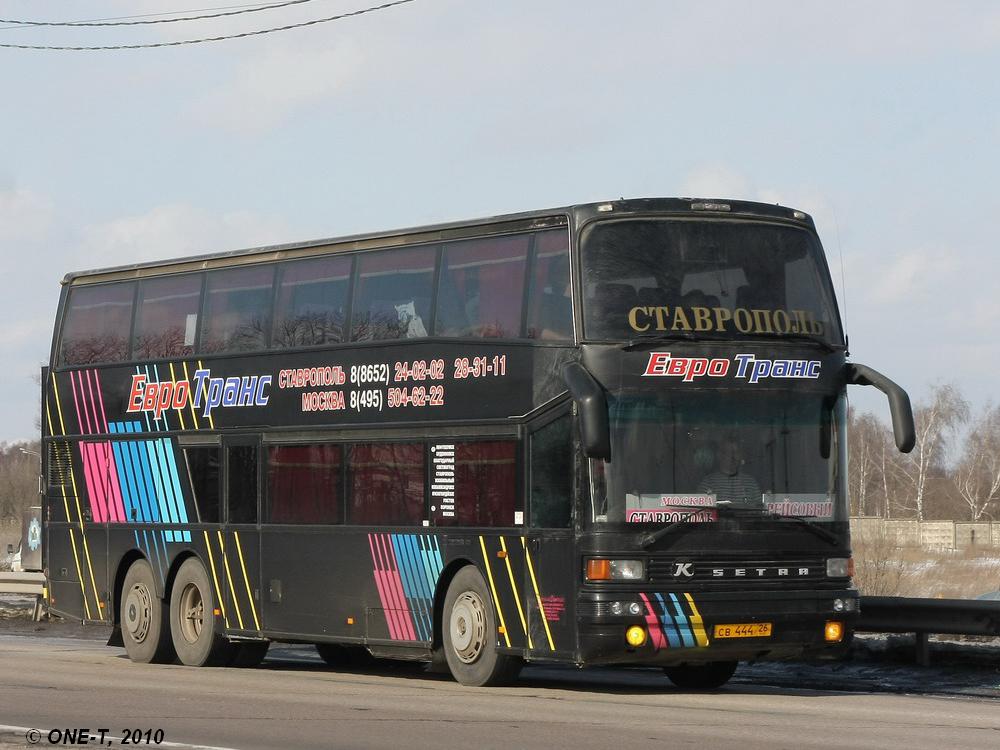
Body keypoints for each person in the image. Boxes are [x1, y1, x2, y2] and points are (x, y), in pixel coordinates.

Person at [697, 438, 762, 507]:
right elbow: (700, 512)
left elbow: (760, 510)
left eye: (736, 452)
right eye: (728, 452)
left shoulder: (750, 483)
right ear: (720, 455)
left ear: (740, 455)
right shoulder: (708, 483)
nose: (732, 456)